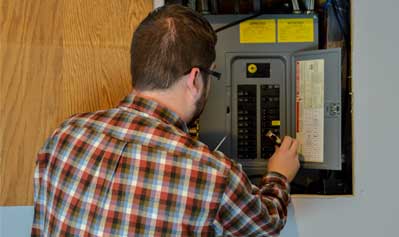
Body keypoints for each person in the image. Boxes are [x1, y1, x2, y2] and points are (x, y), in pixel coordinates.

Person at [32, 4, 299, 236]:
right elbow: (266, 223)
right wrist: (279, 175)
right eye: (211, 77)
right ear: (195, 79)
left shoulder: (64, 136)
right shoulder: (212, 175)